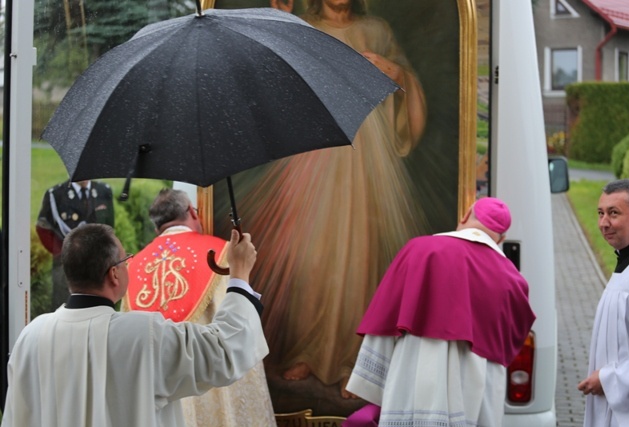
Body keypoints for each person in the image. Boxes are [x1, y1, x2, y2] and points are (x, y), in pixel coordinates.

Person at [221, 0, 427, 397]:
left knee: (359, 256)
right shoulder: (303, 27)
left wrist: (395, 71)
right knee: (311, 254)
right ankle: (308, 351)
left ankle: (355, 362)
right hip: (314, 156)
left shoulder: (377, 29)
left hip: (369, 160)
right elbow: (273, 87)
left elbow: (405, 84)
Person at [1, 223, 266, 427]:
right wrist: (240, 274)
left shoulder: (30, 337)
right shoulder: (142, 334)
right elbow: (221, 352)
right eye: (125, 260)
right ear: (114, 274)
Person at [343, 197, 536, 426]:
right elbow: (505, 349)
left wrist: (374, 377)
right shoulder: (512, 280)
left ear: (464, 217)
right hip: (473, 391)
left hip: (413, 373)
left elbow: (386, 315)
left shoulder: (419, 250)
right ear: (501, 239)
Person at [122, 188, 276, 427]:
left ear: (156, 227)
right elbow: (239, 320)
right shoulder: (222, 254)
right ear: (193, 212)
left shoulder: (132, 266)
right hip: (209, 381)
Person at [578, 179, 629, 426]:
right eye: (600, 213)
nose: (604, 223)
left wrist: (607, 378)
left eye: (614, 213)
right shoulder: (627, 266)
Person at [36, 179, 114, 310]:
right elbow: (43, 228)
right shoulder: (56, 194)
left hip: (98, 264)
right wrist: (62, 253)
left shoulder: (103, 191)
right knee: (65, 307)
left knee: (97, 309)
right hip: (66, 266)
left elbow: (110, 228)